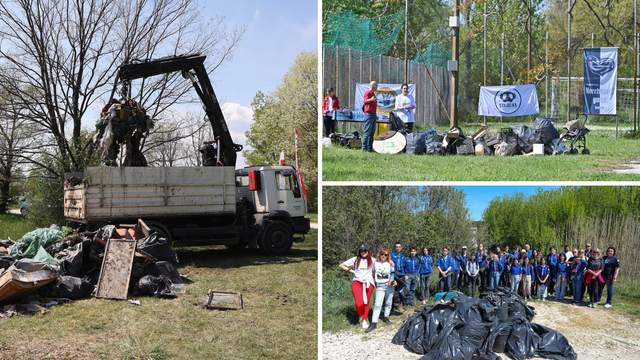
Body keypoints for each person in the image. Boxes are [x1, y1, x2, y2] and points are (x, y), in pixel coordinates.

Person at [339, 245, 375, 329]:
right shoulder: (355, 259)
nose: (363, 252)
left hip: (368, 283)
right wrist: (351, 271)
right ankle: (361, 315)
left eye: (365, 251)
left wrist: (371, 277)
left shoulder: (373, 260)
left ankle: (364, 320)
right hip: (357, 282)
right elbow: (341, 265)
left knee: (366, 302)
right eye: (361, 251)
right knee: (358, 303)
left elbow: (381, 266)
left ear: (368, 251)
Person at [366, 249, 395, 333]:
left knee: (388, 302)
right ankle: (374, 323)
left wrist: (392, 281)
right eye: (382, 254)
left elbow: (392, 273)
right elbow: (372, 273)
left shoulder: (390, 263)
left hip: (389, 285)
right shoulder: (375, 263)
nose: (383, 256)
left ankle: (386, 317)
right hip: (380, 286)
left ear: (388, 256)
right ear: (379, 254)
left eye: (386, 255)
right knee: (378, 304)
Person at [390, 242, 406, 312]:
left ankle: (399, 306)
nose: (398, 248)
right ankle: (391, 308)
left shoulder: (403, 257)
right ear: (395, 248)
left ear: (401, 248)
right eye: (397, 247)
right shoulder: (391, 255)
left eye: (399, 247)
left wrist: (404, 276)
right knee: (392, 291)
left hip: (400, 275)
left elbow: (404, 267)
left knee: (400, 291)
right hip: (393, 274)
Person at [362, 81, 378, 152]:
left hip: (373, 115)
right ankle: (364, 148)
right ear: (374, 86)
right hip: (368, 115)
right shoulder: (368, 92)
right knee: (367, 132)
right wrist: (371, 99)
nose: (377, 87)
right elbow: (365, 101)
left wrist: (375, 114)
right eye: (377, 86)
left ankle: (369, 147)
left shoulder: (373, 93)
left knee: (372, 132)